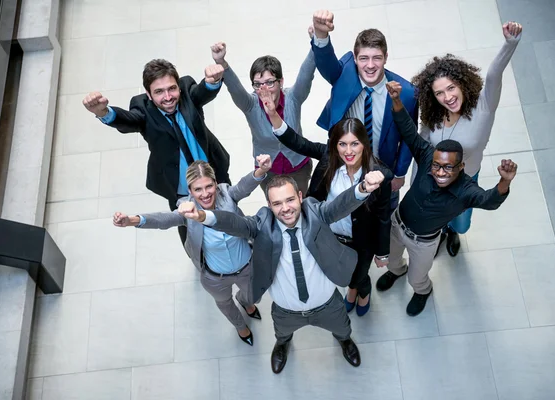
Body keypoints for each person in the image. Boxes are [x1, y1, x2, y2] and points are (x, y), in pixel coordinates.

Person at [179, 172, 385, 373]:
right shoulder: (261, 225)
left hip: (328, 303)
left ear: (300, 197)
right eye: (277, 204)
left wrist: (363, 188)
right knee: (282, 333)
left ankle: (345, 341)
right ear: (269, 206)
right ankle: (282, 344)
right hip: (286, 310)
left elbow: (339, 206)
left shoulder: (315, 212)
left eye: (290, 200)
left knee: (342, 328)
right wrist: (203, 216)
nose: (285, 208)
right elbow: (235, 223)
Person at [376, 81, 518, 316]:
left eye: (448, 168)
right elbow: (409, 131)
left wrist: (504, 181)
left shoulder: (466, 189)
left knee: (417, 277)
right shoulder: (427, 154)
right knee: (392, 261)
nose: (440, 172)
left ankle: (423, 291)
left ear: (461, 167)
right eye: (437, 166)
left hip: (424, 242)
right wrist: (396, 100)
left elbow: (489, 201)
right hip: (397, 224)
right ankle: (396, 271)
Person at [111, 154, 272, 346]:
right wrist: (131, 220)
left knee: (253, 295)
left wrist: (262, 169)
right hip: (215, 276)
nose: (205, 194)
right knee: (224, 303)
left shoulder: (227, 195)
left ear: (215, 183)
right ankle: (239, 326)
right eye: (198, 189)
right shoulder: (188, 210)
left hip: (247, 266)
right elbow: (164, 220)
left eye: (208, 186)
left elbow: (244, 186)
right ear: (190, 191)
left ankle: (245, 302)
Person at [259, 89, 392, 317]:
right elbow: (296, 142)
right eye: (342, 144)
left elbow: (383, 217)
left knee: (359, 276)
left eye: (354, 144)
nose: (348, 152)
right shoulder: (328, 158)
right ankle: (352, 289)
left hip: (361, 240)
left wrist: (382, 253)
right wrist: (273, 115)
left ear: (364, 144)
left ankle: (361, 292)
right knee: (338, 271)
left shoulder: (379, 175)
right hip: (329, 235)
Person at [83, 59, 231, 243]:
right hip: (180, 188)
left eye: (172, 89)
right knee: (189, 229)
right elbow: (129, 120)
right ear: (148, 94)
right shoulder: (142, 107)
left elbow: (201, 92)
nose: (168, 97)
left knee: (229, 213)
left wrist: (212, 81)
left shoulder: (186, 87)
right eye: (159, 92)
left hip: (214, 172)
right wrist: (104, 112)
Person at [411, 21, 523, 256]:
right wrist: (415, 183)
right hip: (435, 177)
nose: (447, 97)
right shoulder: (433, 115)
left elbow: (494, 74)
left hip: (465, 179)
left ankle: (452, 232)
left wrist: (510, 43)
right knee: (433, 216)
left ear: (462, 84)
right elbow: (420, 148)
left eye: (451, 88)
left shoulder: (484, 106)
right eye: (439, 93)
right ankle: (440, 230)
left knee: (462, 224)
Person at [310, 9, 418, 211]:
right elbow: (327, 65)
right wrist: (321, 34)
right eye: (363, 58)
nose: (370, 65)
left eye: (376, 58)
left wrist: (400, 173)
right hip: (345, 164)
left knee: (382, 212)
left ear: (386, 57)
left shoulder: (407, 93)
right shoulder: (345, 73)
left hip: (381, 166)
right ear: (356, 58)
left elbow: (409, 138)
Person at [210, 38, 315, 195]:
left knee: (300, 205)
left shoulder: (293, 98)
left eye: (270, 82)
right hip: (268, 170)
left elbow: (306, 74)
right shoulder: (250, 104)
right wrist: (221, 61)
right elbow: (234, 87)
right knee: (277, 209)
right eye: (258, 84)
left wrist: (317, 43)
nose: (264, 89)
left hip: (298, 166)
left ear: (281, 82)